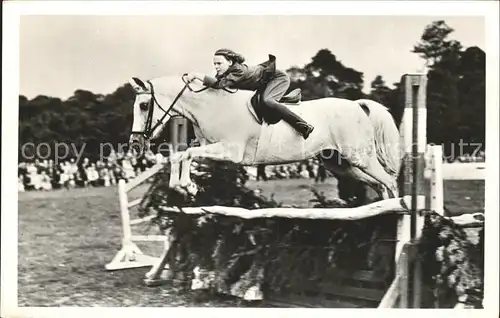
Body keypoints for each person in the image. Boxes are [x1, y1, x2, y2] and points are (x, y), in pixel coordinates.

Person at [185, 49, 315, 139]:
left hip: (277, 78)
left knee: (268, 101)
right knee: (256, 103)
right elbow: (215, 87)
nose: (216, 66)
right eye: (214, 64)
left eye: (219, 63)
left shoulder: (237, 71)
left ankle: (303, 126)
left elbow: (218, 85)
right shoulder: (227, 73)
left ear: (230, 62)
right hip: (264, 83)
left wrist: (197, 75)